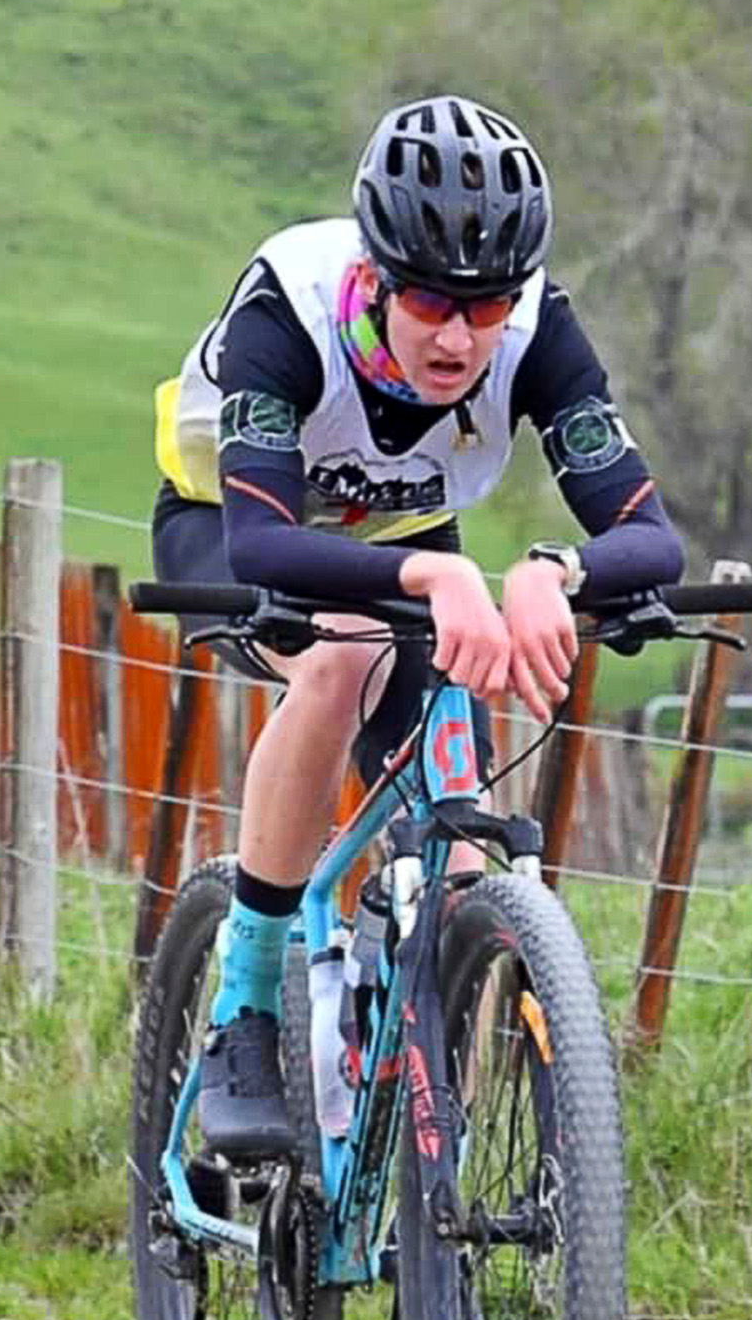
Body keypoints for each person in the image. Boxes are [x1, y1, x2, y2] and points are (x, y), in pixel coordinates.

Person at [151, 92, 684, 1175]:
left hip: (400, 541)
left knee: (457, 844)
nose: (458, 336)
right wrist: (442, 573)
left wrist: (554, 571)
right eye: (434, 301)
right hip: (237, 524)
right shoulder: (287, 309)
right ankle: (246, 1006)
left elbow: (649, 534)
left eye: (486, 307)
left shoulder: (538, 330)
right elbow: (262, 541)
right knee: (344, 654)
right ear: (378, 273)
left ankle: (431, 1180)